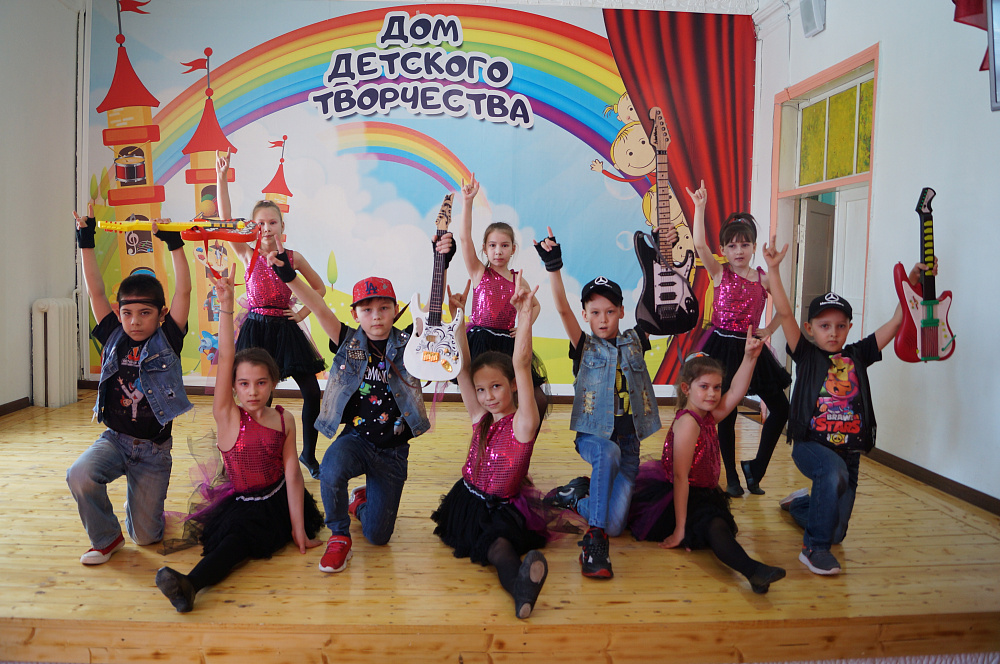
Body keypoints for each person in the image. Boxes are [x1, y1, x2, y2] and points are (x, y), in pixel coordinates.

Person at [267, 233, 454, 574]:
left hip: (393, 451)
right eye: (367, 310)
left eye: (384, 308)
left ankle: (360, 502)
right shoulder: (347, 341)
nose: (376, 316)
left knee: (379, 537)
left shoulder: (410, 344)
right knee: (330, 470)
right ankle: (339, 536)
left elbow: (435, 318)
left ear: (395, 311)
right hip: (356, 439)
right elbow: (318, 306)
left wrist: (442, 260)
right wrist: (289, 276)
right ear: (356, 314)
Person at [154, 271, 323, 612]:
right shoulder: (227, 415)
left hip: (277, 501)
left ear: (273, 382)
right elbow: (227, 360)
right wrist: (227, 308)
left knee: (238, 543)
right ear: (233, 386)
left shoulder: (284, 419)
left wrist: (298, 529)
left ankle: (191, 585)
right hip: (242, 501)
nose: (252, 391)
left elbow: (293, 475)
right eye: (244, 384)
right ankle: (190, 585)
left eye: (261, 383)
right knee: (233, 540)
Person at [763, 237, 931, 575]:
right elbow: (784, 312)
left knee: (837, 531)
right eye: (824, 326)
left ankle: (804, 503)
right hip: (811, 446)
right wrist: (774, 270)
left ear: (850, 328)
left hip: (849, 454)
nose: (833, 333)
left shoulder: (858, 354)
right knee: (831, 477)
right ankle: (814, 548)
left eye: (841, 326)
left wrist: (913, 282)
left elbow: (897, 320)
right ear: (810, 329)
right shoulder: (806, 354)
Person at [67, 205, 193, 564]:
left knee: (147, 537)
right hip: (116, 440)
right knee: (79, 475)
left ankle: (139, 509)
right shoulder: (113, 334)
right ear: (119, 312)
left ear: (161, 314)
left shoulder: (168, 338)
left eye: (145, 313)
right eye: (127, 313)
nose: (134, 322)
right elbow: (95, 291)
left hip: (153, 452)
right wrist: (85, 239)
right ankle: (106, 539)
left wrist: (174, 243)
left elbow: (184, 291)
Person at [533, 227, 661, 579]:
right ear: (586, 315)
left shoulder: (636, 340)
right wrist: (553, 266)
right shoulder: (584, 346)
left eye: (610, 311)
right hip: (594, 438)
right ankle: (594, 541)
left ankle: (577, 498)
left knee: (617, 524)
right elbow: (562, 308)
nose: (603, 319)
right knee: (607, 452)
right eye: (595, 312)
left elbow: (659, 305)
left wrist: (661, 254)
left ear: (621, 312)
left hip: (629, 447)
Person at [627, 338, 787, 594]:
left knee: (716, 527)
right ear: (686, 388)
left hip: (703, 492)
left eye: (716, 387)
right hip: (680, 497)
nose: (712, 393)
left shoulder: (708, 417)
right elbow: (680, 478)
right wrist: (679, 529)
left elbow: (736, 392)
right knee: (716, 527)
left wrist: (750, 357)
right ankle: (753, 571)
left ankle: (755, 574)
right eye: (704, 387)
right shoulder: (688, 423)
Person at [431, 274, 548, 619]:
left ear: (512, 385)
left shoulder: (523, 424)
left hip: (503, 507)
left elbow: (521, 363)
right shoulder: (480, 416)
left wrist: (524, 317)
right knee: (491, 546)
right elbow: (463, 369)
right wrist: (459, 320)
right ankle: (523, 588)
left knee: (498, 548)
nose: (487, 396)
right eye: (482, 390)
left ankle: (520, 589)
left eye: (496, 387)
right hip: (468, 500)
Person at [216, 150, 327, 479]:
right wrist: (221, 177)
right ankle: (250, 451)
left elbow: (319, 289)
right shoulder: (246, 253)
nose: (266, 228)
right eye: (260, 223)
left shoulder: (293, 257)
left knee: (312, 392)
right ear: (253, 227)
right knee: (258, 397)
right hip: (256, 330)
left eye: (272, 222)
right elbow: (225, 221)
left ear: (282, 225)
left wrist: (301, 313)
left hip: (285, 330)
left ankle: (308, 453)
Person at [688, 182, 791, 496]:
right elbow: (698, 245)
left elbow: (785, 309)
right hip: (722, 346)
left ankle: (755, 469)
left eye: (745, 244)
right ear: (723, 250)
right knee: (727, 414)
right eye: (732, 246)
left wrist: (769, 329)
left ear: (754, 246)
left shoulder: (763, 278)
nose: (739, 251)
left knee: (781, 408)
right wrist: (700, 208)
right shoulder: (720, 274)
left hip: (752, 347)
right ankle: (731, 477)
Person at [454, 174, 548, 424]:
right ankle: (486, 437)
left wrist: (524, 325)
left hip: (506, 342)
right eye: (493, 246)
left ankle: (514, 438)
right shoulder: (479, 272)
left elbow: (535, 305)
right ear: (485, 249)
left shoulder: (518, 279)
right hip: (481, 341)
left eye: (504, 246)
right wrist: (468, 202)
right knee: (485, 402)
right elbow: (464, 238)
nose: (498, 251)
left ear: (513, 249)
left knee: (526, 398)